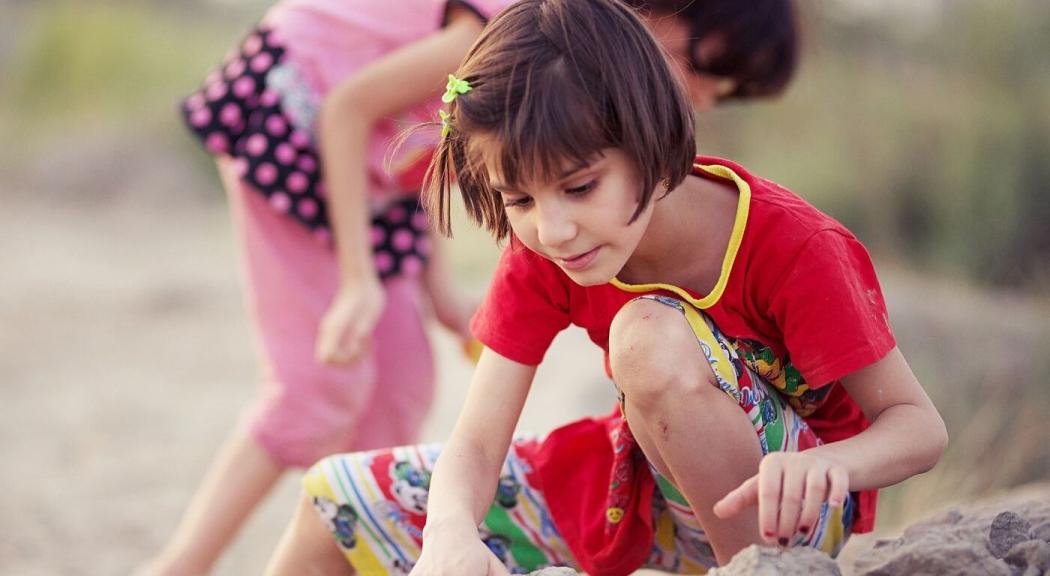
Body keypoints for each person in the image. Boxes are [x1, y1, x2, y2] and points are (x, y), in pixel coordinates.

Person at [266, 0, 943, 574]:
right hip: (637, 489)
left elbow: (918, 428)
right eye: (518, 199)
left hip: (790, 511)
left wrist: (836, 468)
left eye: (580, 186)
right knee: (333, 501)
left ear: (651, 139)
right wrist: (449, 534)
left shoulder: (792, 245)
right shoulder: (546, 250)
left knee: (644, 335)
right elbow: (475, 445)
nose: (553, 228)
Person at [137, 2, 524, 575]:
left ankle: (348, 542)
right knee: (320, 382)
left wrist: (439, 289)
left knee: (400, 381)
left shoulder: (550, 53)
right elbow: (346, 109)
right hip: (296, 118)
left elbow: (426, 145)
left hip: (372, 169)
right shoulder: (498, 27)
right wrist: (356, 280)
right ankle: (180, 566)